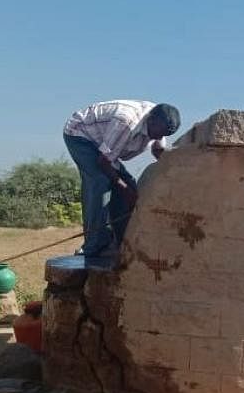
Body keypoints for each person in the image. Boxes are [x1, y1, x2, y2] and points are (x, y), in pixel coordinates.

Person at [63, 100, 181, 269]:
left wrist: (175, 175)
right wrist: (123, 188)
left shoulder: (161, 124)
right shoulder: (126, 122)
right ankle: (95, 246)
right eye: (157, 133)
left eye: (163, 135)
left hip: (106, 148)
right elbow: (103, 162)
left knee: (131, 187)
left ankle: (120, 242)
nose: (158, 138)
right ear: (151, 120)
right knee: (100, 183)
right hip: (81, 134)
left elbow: (158, 150)